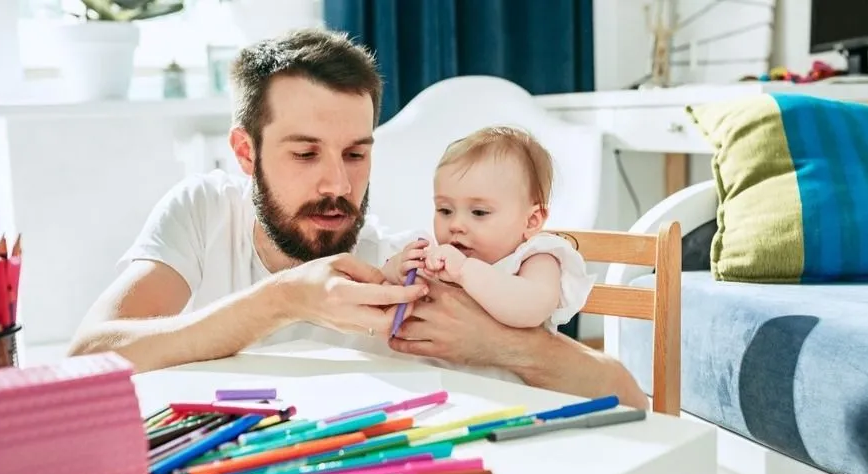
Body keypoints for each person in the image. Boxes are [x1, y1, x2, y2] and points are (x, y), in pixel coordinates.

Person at [66, 28, 648, 409]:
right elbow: (88, 359)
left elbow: (627, 395)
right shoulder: (204, 211)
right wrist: (282, 300)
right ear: (246, 152)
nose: (338, 187)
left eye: (355, 153)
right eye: (304, 153)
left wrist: (500, 345)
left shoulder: (397, 268)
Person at [381, 126, 595, 384]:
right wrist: (395, 271)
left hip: (511, 398)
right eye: (445, 210)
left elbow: (530, 309)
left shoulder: (536, 258)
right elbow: (383, 295)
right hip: (435, 388)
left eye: (479, 212)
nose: (456, 224)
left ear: (531, 220)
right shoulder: (438, 254)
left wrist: (464, 271)